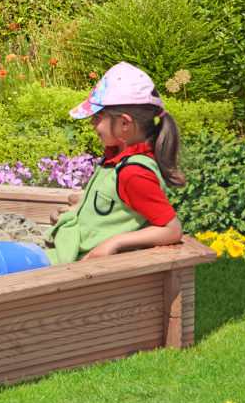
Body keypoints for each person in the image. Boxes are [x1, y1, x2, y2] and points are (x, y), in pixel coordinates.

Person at [43, 61, 185, 265]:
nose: (91, 122)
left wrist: (114, 242)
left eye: (98, 116)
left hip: (83, 266)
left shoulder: (134, 173)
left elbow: (171, 230)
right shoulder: (115, 159)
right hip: (70, 254)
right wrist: (73, 212)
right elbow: (111, 208)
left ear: (125, 123)